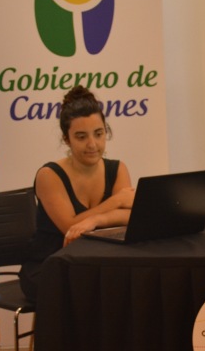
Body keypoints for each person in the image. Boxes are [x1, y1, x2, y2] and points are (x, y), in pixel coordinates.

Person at [19, 85, 134, 301]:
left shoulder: (118, 169)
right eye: (81, 137)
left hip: (97, 262)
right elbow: (70, 228)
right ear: (67, 139)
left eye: (99, 134)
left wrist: (96, 220)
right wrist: (116, 201)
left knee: (129, 283)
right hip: (50, 264)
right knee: (99, 290)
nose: (92, 144)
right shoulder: (49, 175)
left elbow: (129, 217)